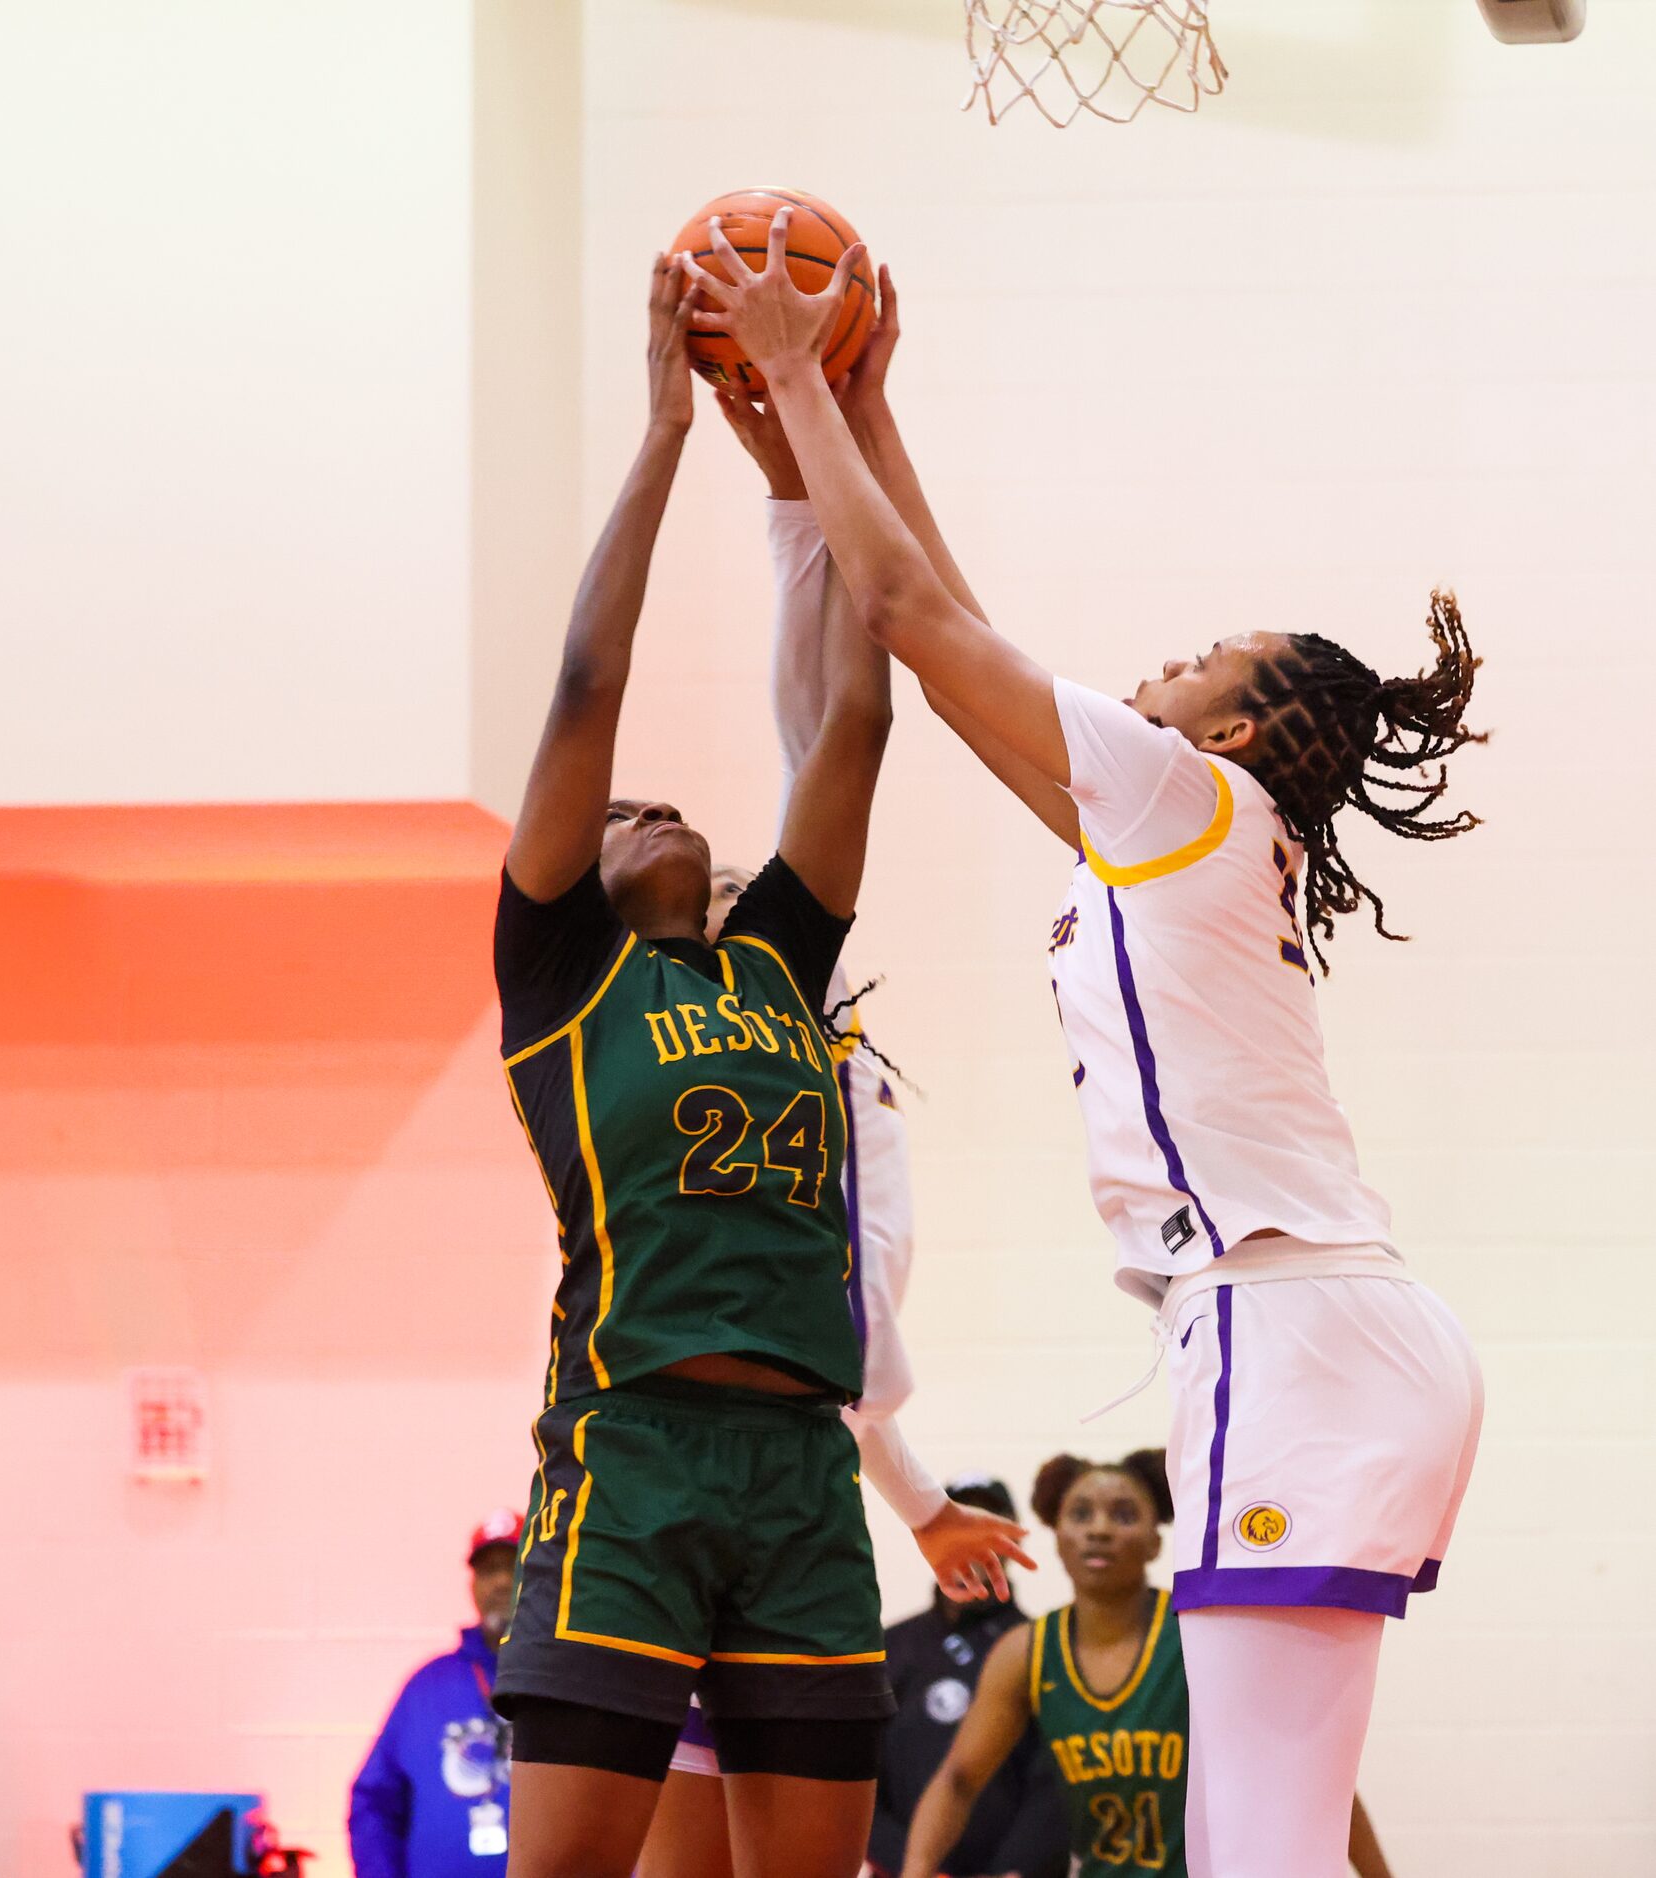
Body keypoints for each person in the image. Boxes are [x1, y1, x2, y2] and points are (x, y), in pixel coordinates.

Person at [686, 217, 1483, 1878]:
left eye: (1198, 660)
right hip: (1322, 1327)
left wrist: (786, 372)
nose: (1158, 665)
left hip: (1287, 1326)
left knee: (1250, 1836)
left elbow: (905, 609)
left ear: (1238, 727)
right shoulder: (1168, 818)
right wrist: (858, 403)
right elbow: (940, 620)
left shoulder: (1183, 794)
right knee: (1250, 1828)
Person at [491, 254, 1029, 1878]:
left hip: (799, 1470)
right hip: (630, 1455)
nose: (651, 809)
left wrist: (813, 454)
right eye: (622, 813)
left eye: (661, 802)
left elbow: (854, 719)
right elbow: (589, 680)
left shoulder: (777, 965)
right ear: (581, 874)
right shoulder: (566, 986)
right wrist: (661, 434)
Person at [638, 351, 974, 1878]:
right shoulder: (647, 1052)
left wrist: (793, 486)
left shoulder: (818, 1036)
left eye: (742, 883)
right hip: (679, 1477)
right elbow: (813, 732)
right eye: (710, 896)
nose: (737, 890)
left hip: (788, 1471)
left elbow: (820, 736)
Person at [902, 1452, 1395, 1878]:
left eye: (1122, 1514)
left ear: (1156, 1542)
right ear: (1057, 1537)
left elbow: (1309, 1774)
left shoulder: (1200, 1637)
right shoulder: (1027, 1651)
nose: (1099, 1529)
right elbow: (958, 1780)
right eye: (1081, 1514)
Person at [867, 1478, 1067, 1878]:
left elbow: (1055, 1781)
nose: (973, 1536)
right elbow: (858, 1776)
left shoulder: (1044, 1650)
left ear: (1014, 1537)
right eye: (960, 1520)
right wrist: (915, 1866)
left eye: (990, 1520)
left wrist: (1014, 1869)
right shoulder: (888, 1647)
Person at [347, 1510, 522, 1878]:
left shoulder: (568, 1682)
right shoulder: (426, 1686)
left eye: (514, 1567)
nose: (501, 1582)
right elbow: (374, 1802)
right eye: (488, 1571)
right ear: (473, 1584)